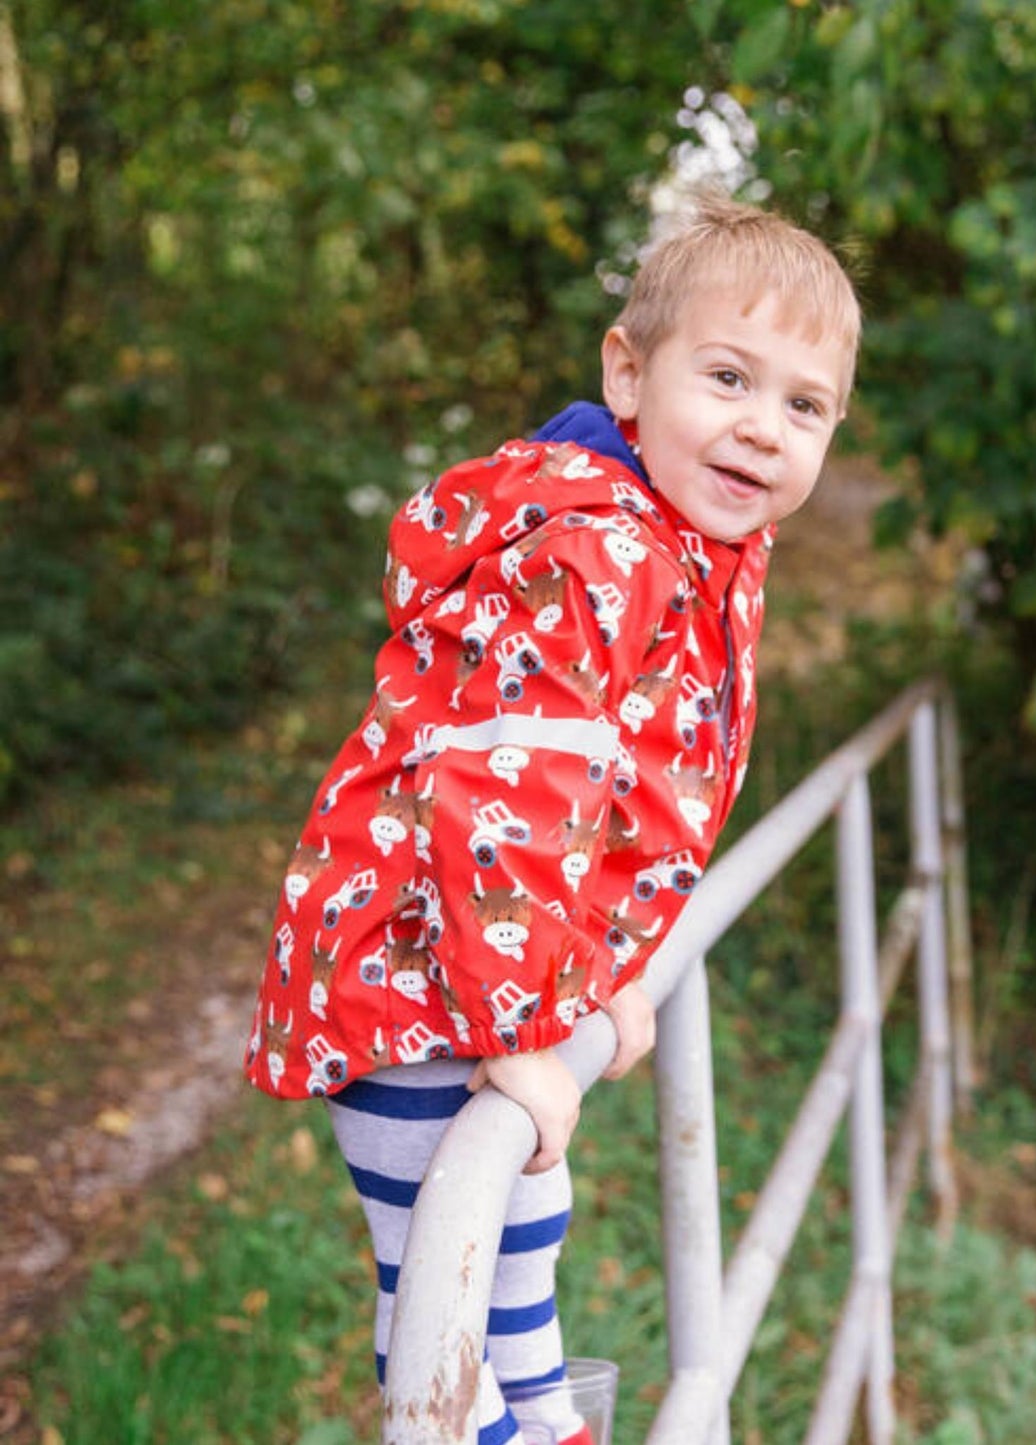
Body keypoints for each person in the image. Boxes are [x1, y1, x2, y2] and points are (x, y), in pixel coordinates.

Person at [244, 192, 861, 1444]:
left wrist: (604, 971)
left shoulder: (695, 546)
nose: (760, 427)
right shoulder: (599, 551)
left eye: (803, 405)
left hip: (485, 965)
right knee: (443, 1272)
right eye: (728, 377)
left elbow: (619, 801)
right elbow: (509, 799)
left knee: (522, 1229)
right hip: (418, 968)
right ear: (627, 375)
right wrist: (524, 1023)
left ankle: (539, 1422)